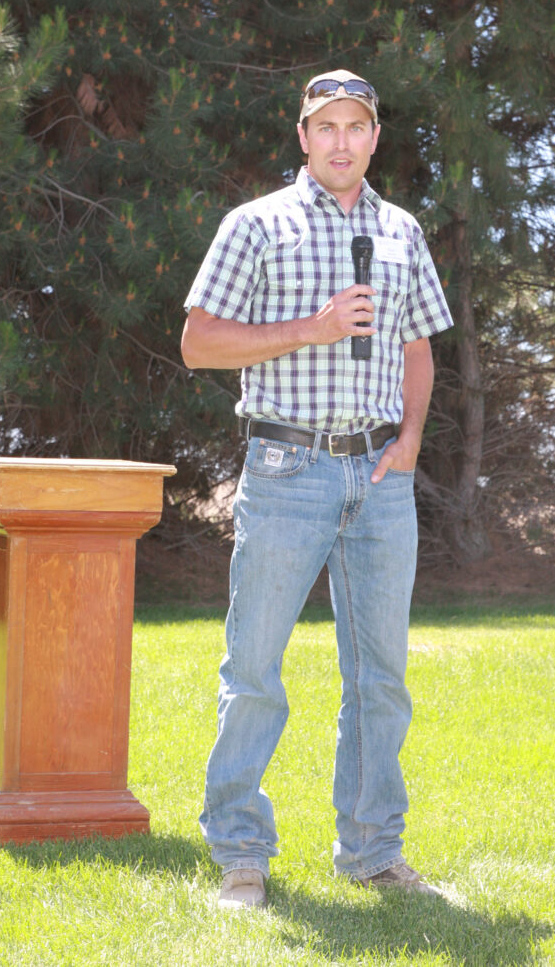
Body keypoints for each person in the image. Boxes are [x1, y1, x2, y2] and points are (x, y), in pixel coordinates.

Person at [181, 68, 453, 909]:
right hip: (286, 470)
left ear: (375, 138)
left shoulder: (402, 231)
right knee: (255, 669)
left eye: (355, 126)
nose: (341, 141)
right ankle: (241, 853)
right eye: (325, 126)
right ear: (303, 137)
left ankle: (373, 851)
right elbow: (199, 343)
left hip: (380, 478)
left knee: (381, 679)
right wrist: (316, 327)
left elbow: (417, 348)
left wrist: (410, 439)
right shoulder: (256, 224)